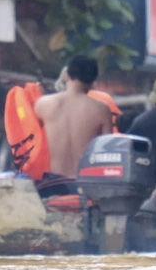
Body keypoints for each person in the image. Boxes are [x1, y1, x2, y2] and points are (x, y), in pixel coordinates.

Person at [31, 55, 119, 197]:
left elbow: (30, 143)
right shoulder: (101, 109)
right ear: (93, 80)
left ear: (67, 76)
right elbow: (107, 152)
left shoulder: (43, 104)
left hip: (52, 185)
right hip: (86, 185)